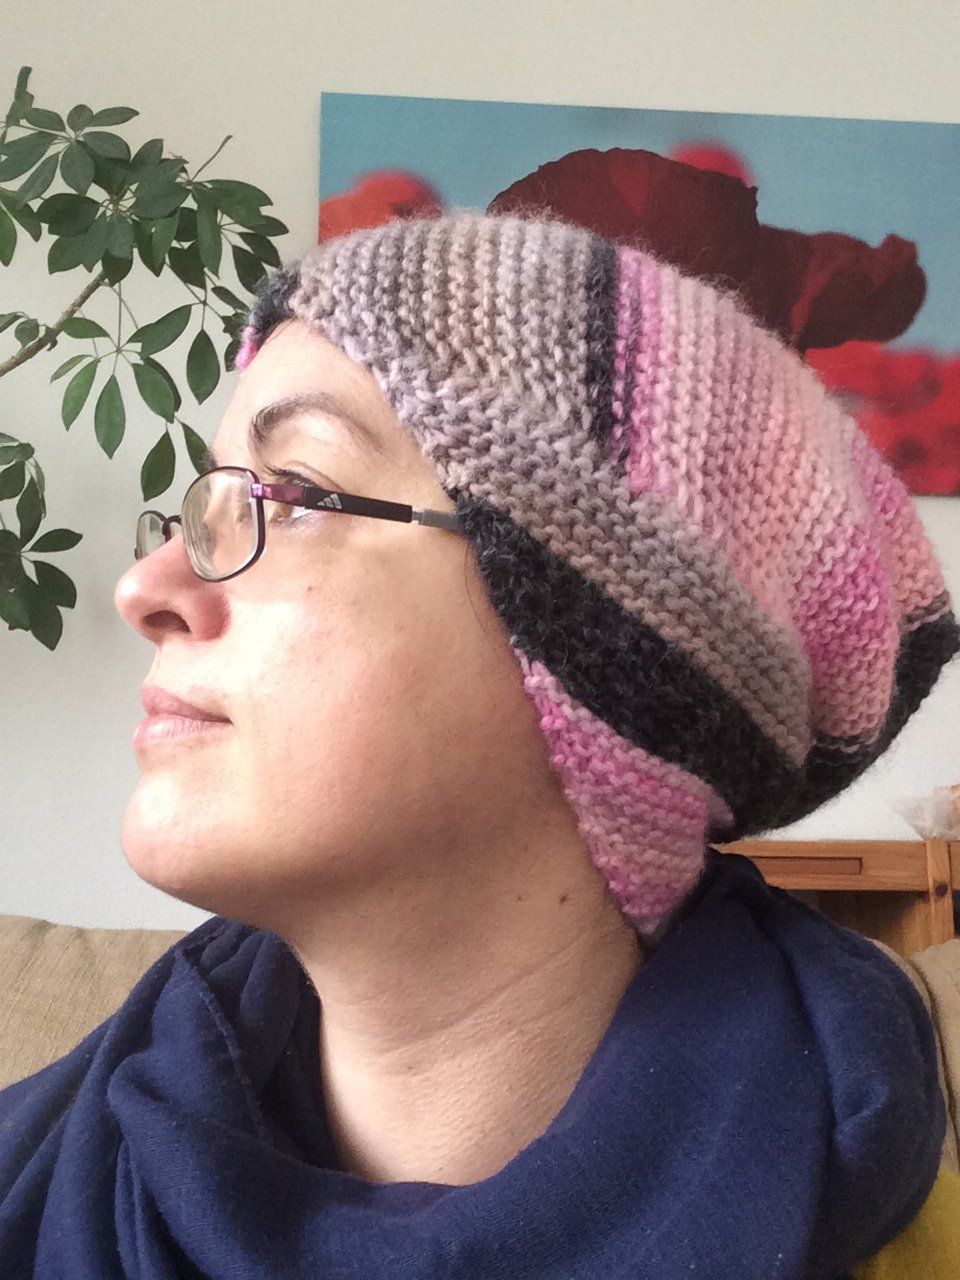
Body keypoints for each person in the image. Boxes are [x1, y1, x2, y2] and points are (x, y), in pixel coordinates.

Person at [1, 207, 958, 1278]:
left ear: (609, 654)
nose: (146, 587)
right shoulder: (46, 1170)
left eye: (296, 495)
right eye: (205, 508)